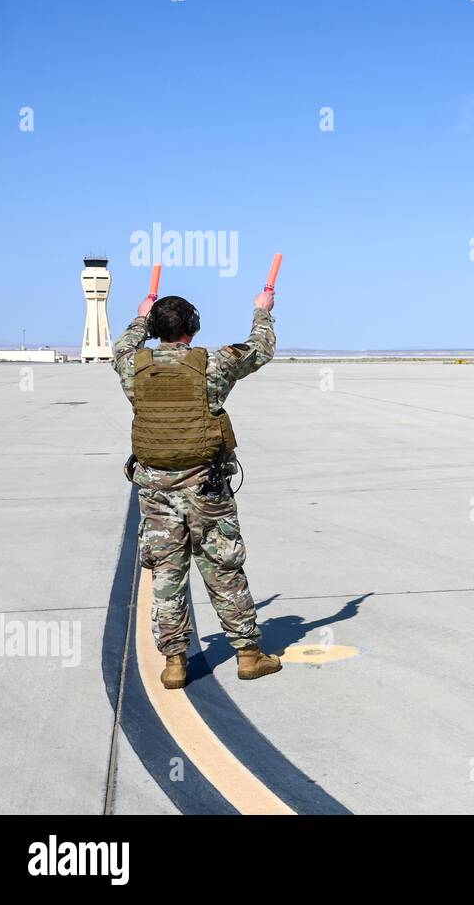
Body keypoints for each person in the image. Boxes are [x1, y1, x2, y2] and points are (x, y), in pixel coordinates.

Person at [112, 290, 282, 689]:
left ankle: (174, 663)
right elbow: (261, 348)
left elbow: (121, 345)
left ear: (155, 329)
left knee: (167, 577)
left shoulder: (131, 366)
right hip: (206, 492)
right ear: (193, 328)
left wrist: (140, 318)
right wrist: (262, 310)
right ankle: (247, 655)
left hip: (156, 495)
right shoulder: (213, 363)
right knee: (224, 570)